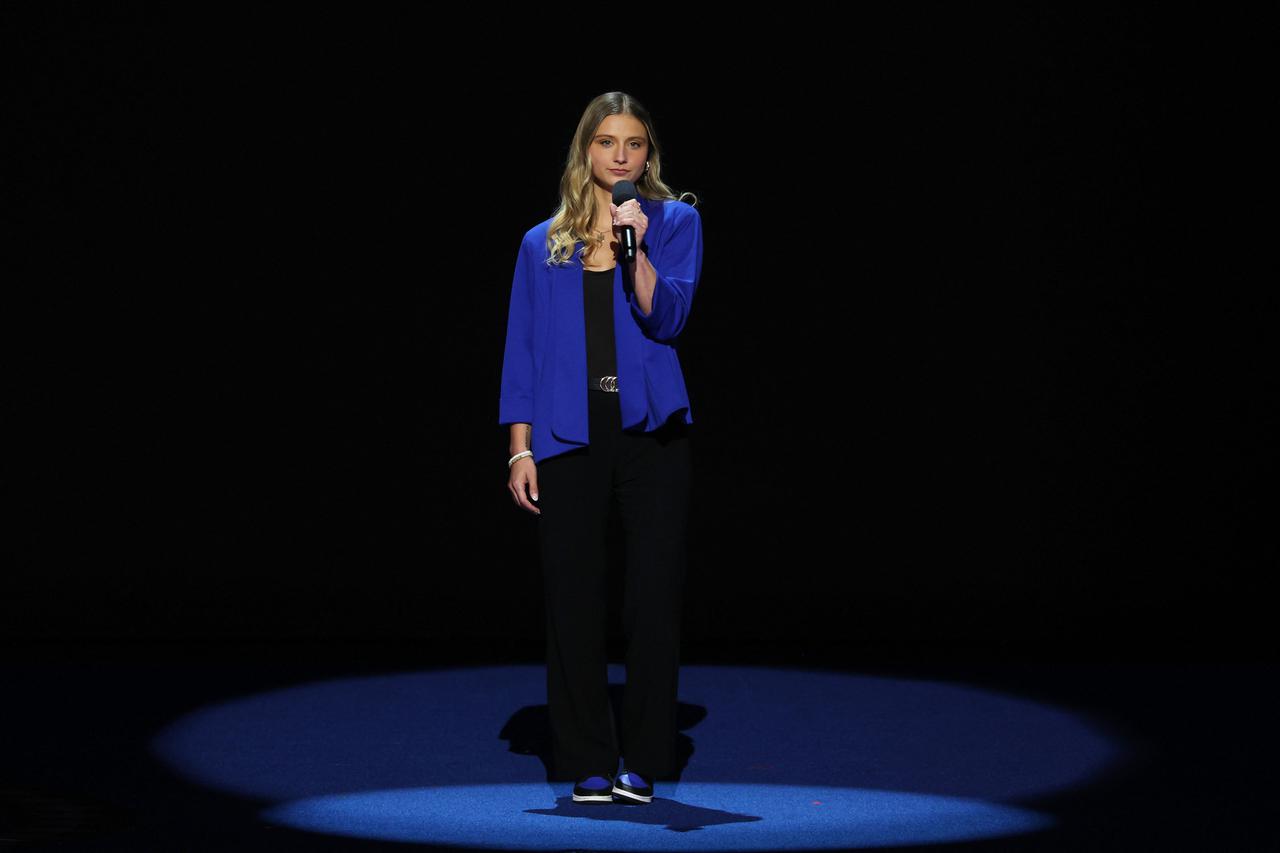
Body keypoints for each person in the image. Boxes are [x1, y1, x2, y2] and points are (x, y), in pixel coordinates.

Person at [498, 91, 703, 805]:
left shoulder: (675, 221)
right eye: (608, 141)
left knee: (651, 597)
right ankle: (586, 756)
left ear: (648, 155)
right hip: (566, 434)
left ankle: (642, 759)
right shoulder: (541, 242)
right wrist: (519, 449)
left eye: (636, 143)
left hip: (650, 435)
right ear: (585, 149)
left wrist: (636, 245)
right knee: (573, 597)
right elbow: (521, 351)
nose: (621, 155)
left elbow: (669, 317)